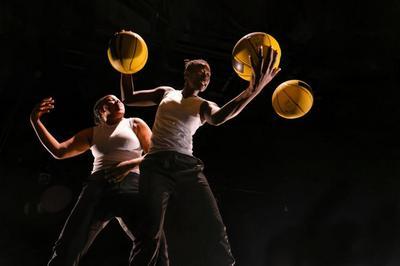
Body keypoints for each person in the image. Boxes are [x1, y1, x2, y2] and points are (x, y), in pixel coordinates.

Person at [120, 44, 281, 266]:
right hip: (156, 166)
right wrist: (124, 64)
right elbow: (128, 97)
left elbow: (219, 118)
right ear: (186, 74)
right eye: (201, 70)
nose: (206, 76)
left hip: (186, 167)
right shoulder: (166, 93)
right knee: (149, 232)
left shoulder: (204, 105)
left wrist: (252, 90)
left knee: (213, 226)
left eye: (209, 74)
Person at [30, 94, 168, 266]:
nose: (117, 100)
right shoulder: (93, 133)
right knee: (69, 244)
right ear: (101, 110)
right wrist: (35, 121)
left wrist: (128, 165)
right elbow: (59, 151)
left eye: (118, 99)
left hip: (132, 185)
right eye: (110, 100)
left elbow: (155, 155)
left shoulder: (134, 123)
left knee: (154, 244)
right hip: (98, 187)